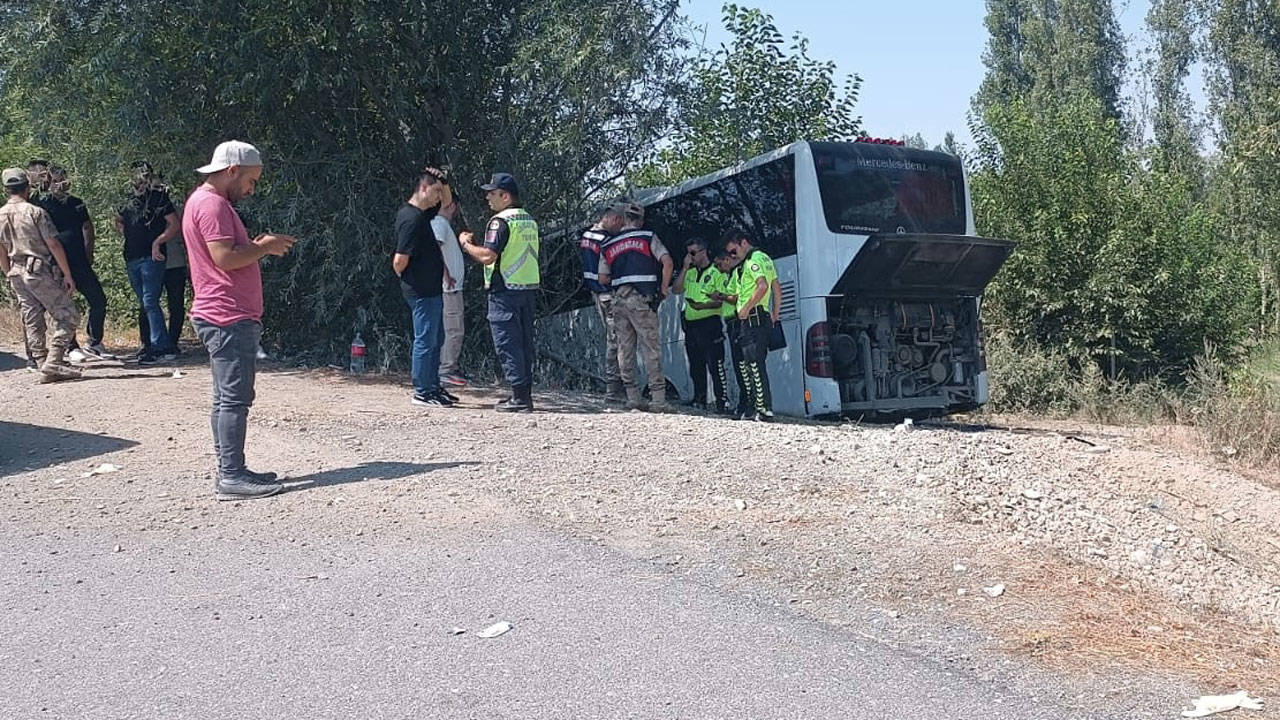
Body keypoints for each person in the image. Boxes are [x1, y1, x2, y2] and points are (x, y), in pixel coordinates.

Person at [183, 140, 297, 501]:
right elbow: (225, 258)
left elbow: (228, 253)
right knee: (234, 399)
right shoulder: (212, 204)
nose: (251, 189)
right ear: (231, 171)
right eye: (250, 180)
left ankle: (231, 468)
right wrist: (264, 247)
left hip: (223, 313)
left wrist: (258, 244)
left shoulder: (206, 202)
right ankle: (231, 476)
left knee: (225, 398)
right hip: (226, 315)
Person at [459, 172, 539, 412]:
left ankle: (519, 399)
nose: (487, 198)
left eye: (492, 193)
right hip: (526, 289)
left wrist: (466, 244)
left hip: (504, 290)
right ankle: (524, 395)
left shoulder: (500, 221)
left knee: (507, 343)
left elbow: (487, 256)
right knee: (524, 344)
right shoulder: (528, 220)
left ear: (505, 196)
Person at [0, 168, 82, 383]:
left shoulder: (0, 215)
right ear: (27, 187)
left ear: (6, 189)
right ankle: (53, 362)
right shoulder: (35, 212)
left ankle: (40, 361)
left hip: (16, 271)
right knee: (69, 314)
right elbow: (53, 243)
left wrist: (7, 270)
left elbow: (0, 248)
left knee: (32, 317)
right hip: (38, 270)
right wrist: (67, 274)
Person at [597, 201, 673, 411]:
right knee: (651, 348)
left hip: (619, 302)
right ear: (639, 220)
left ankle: (633, 397)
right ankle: (658, 400)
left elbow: (603, 278)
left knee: (625, 349)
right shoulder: (647, 237)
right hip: (642, 300)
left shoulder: (608, 245)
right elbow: (667, 262)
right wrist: (664, 288)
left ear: (622, 219)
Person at [393, 167, 453, 408]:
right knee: (425, 340)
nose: (440, 196)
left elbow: (447, 205)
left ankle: (433, 385)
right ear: (424, 188)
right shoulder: (411, 218)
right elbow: (399, 259)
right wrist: (408, 278)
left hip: (432, 289)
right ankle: (422, 390)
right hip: (420, 290)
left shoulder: (423, 214)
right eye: (436, 191)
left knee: (436, 338)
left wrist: (444, 181)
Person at [37, 167, 111, 361]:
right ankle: (71, 347)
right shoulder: (42, 204)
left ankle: (94, 342)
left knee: (98, 300)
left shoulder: (77, 203)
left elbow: (87, 227)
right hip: (56, 264)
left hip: (79, 262)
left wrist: (89, 252)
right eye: (55, 181)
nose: (59, 185)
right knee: (64, 306)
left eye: (62, 180)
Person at [115, 161, 180, 365]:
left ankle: (161, 346)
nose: (139, 178)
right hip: (131, 257)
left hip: (153, 258)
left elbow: (174, 224)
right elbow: (118, 219)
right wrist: (125, 231)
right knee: (145, 302)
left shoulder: (159, 198)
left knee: (150, 300)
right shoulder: (124, 200)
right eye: (136, 174)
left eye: (143, 174)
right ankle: (153, 345)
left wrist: (158, 241)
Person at [722, 228, 781, 421]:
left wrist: (746, 308)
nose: (733, 255)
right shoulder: (765, 258)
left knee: (754, 365)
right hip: (761, 317)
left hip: (752, 318)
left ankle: (763, 409)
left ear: (744, 243)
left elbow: (763, 286)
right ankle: (752, 407)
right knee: (750, 364)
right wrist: (775, 314)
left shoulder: (752, 261)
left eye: (734, 251)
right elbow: (776, 288)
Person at [673, 238, 728, 413]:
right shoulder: (689, 272)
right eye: (688, 253)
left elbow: (722, 301)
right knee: (695, 364)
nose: (691, 256)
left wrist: (702, 306)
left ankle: (722, 401)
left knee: (715, 364)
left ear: (703, 252)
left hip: (710, 323)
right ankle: (700, 398)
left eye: (693, 253)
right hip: (691, 325)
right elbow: (676, 289)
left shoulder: (716, 271)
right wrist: (684, 268)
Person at [426, 168, 468, 388]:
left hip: (450, 286)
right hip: (448, 287)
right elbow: (435, 251)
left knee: (451, 328)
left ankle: (445, 367)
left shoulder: (441, 225)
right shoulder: (439, 225)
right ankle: (446, 369)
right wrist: (447, 275)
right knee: (454, 329)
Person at [578, 205, 625, 400]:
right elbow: (611, 270)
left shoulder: (587, 237)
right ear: (614, 219)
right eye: (620, 224)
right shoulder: (606, 241)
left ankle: (616, 387)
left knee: (614, 339)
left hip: (596, 294)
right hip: (608, 293)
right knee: (616, 341)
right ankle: (614, 389)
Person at [711, 248, 749, 417]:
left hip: (737, 321)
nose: (719, 269)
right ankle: (744, 404)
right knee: (739, 366)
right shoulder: (730, 275)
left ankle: (747, 405)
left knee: (743, 366)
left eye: (720, 265)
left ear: (727, 260)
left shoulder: (736, 273)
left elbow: (735, 297)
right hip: (730, 323)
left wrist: (720, 295)